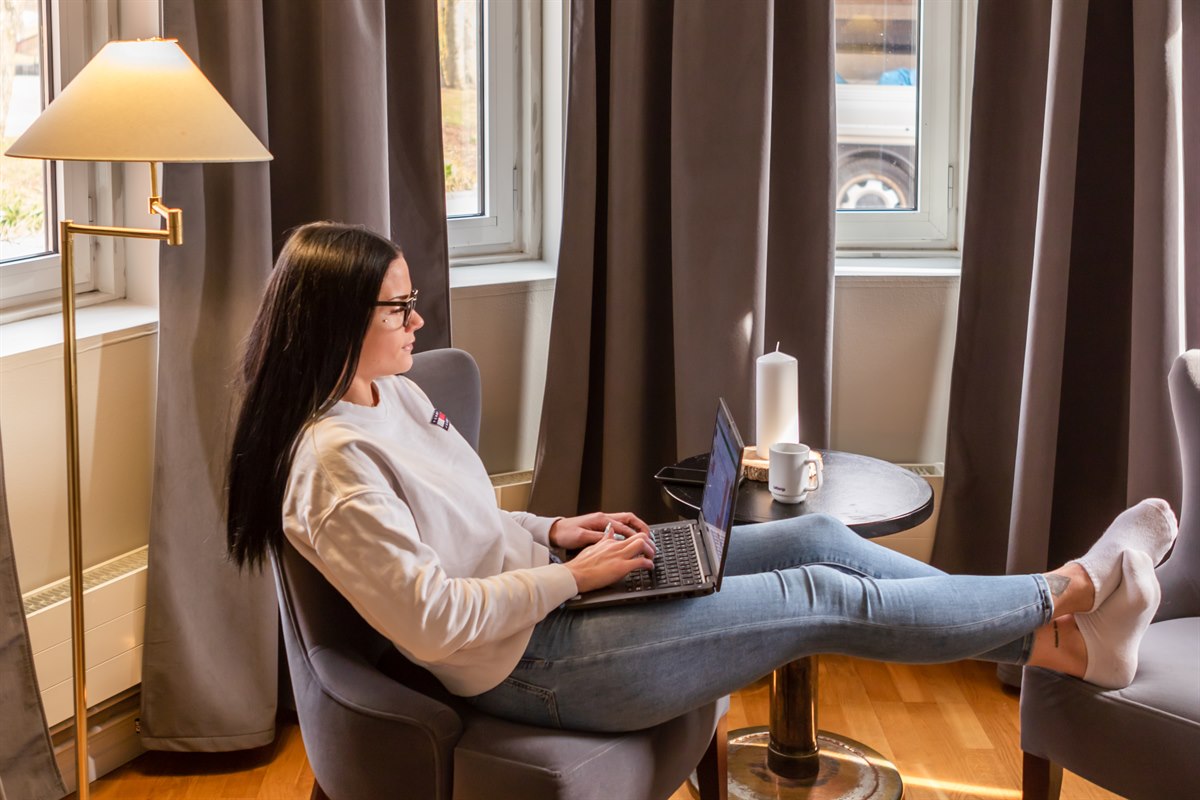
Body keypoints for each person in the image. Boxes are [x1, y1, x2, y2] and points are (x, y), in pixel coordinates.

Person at [227, 221, 1178, 733]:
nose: (418, 321)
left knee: (816, 535)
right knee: (820, 594)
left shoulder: (388, 395)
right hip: (533, 667)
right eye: (398, 308)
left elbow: (462, 526)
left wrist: (553, 532)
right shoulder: (334, 469)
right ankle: (1072, 590)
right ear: (338, 323)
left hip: (551, 603)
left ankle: (1070, 650)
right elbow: (436, 618)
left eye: (412, 301)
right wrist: (573, 580)